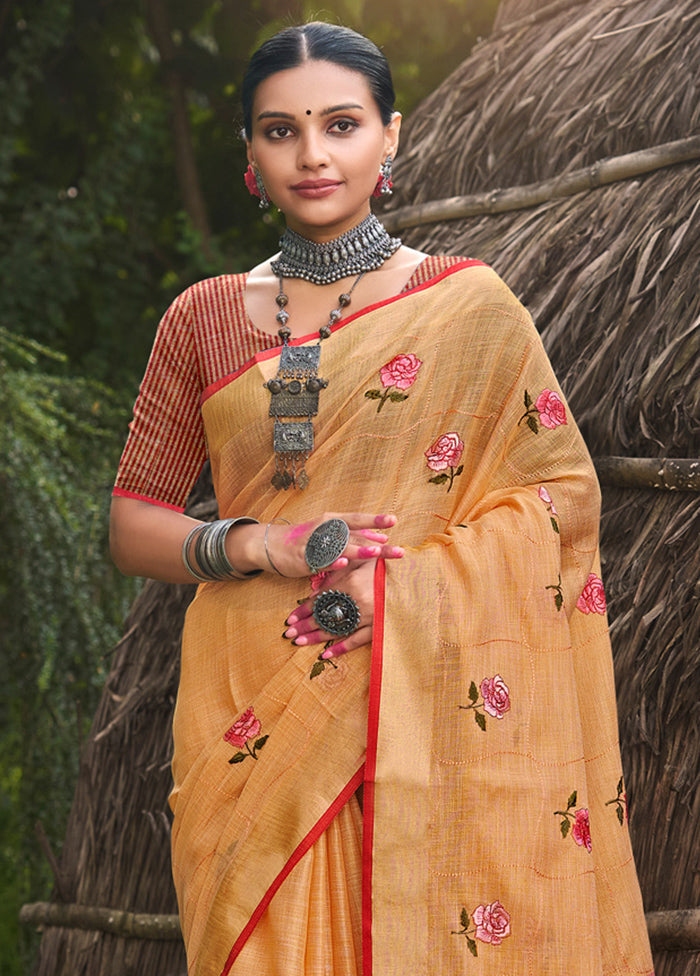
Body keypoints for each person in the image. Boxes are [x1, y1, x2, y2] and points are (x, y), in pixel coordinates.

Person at [110, 21, 654, 976]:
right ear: (248, 153)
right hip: (251, 711)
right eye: (279, 131)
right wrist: (261, 547)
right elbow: (131, 523)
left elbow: (562, 501)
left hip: (419, 698)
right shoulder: (200, 316)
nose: (312, 154)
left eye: (341, 124)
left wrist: (395, 601)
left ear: (389, 137)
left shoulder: (471, 306)